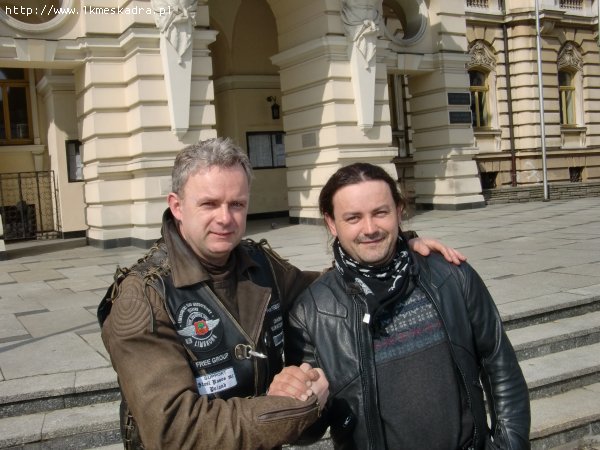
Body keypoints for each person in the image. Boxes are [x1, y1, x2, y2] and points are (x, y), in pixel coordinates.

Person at [98, 138, 464, 450]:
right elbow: (175, 431)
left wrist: (392, 248)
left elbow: (330, 289)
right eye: (209, 204)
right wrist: (290, 408)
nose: (225, 218)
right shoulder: (144, 297)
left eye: (237, 204)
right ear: (177, 206)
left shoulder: (261, 265)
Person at [287, 162, 531, 450]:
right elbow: (308, 433)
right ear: (331, 223)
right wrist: (299, 407)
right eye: (353, 218)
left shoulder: (452, 275)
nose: (370, 229)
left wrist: (509, 445)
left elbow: (500, 366)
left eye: (381, 213)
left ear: (399, 210)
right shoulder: (311, 312)